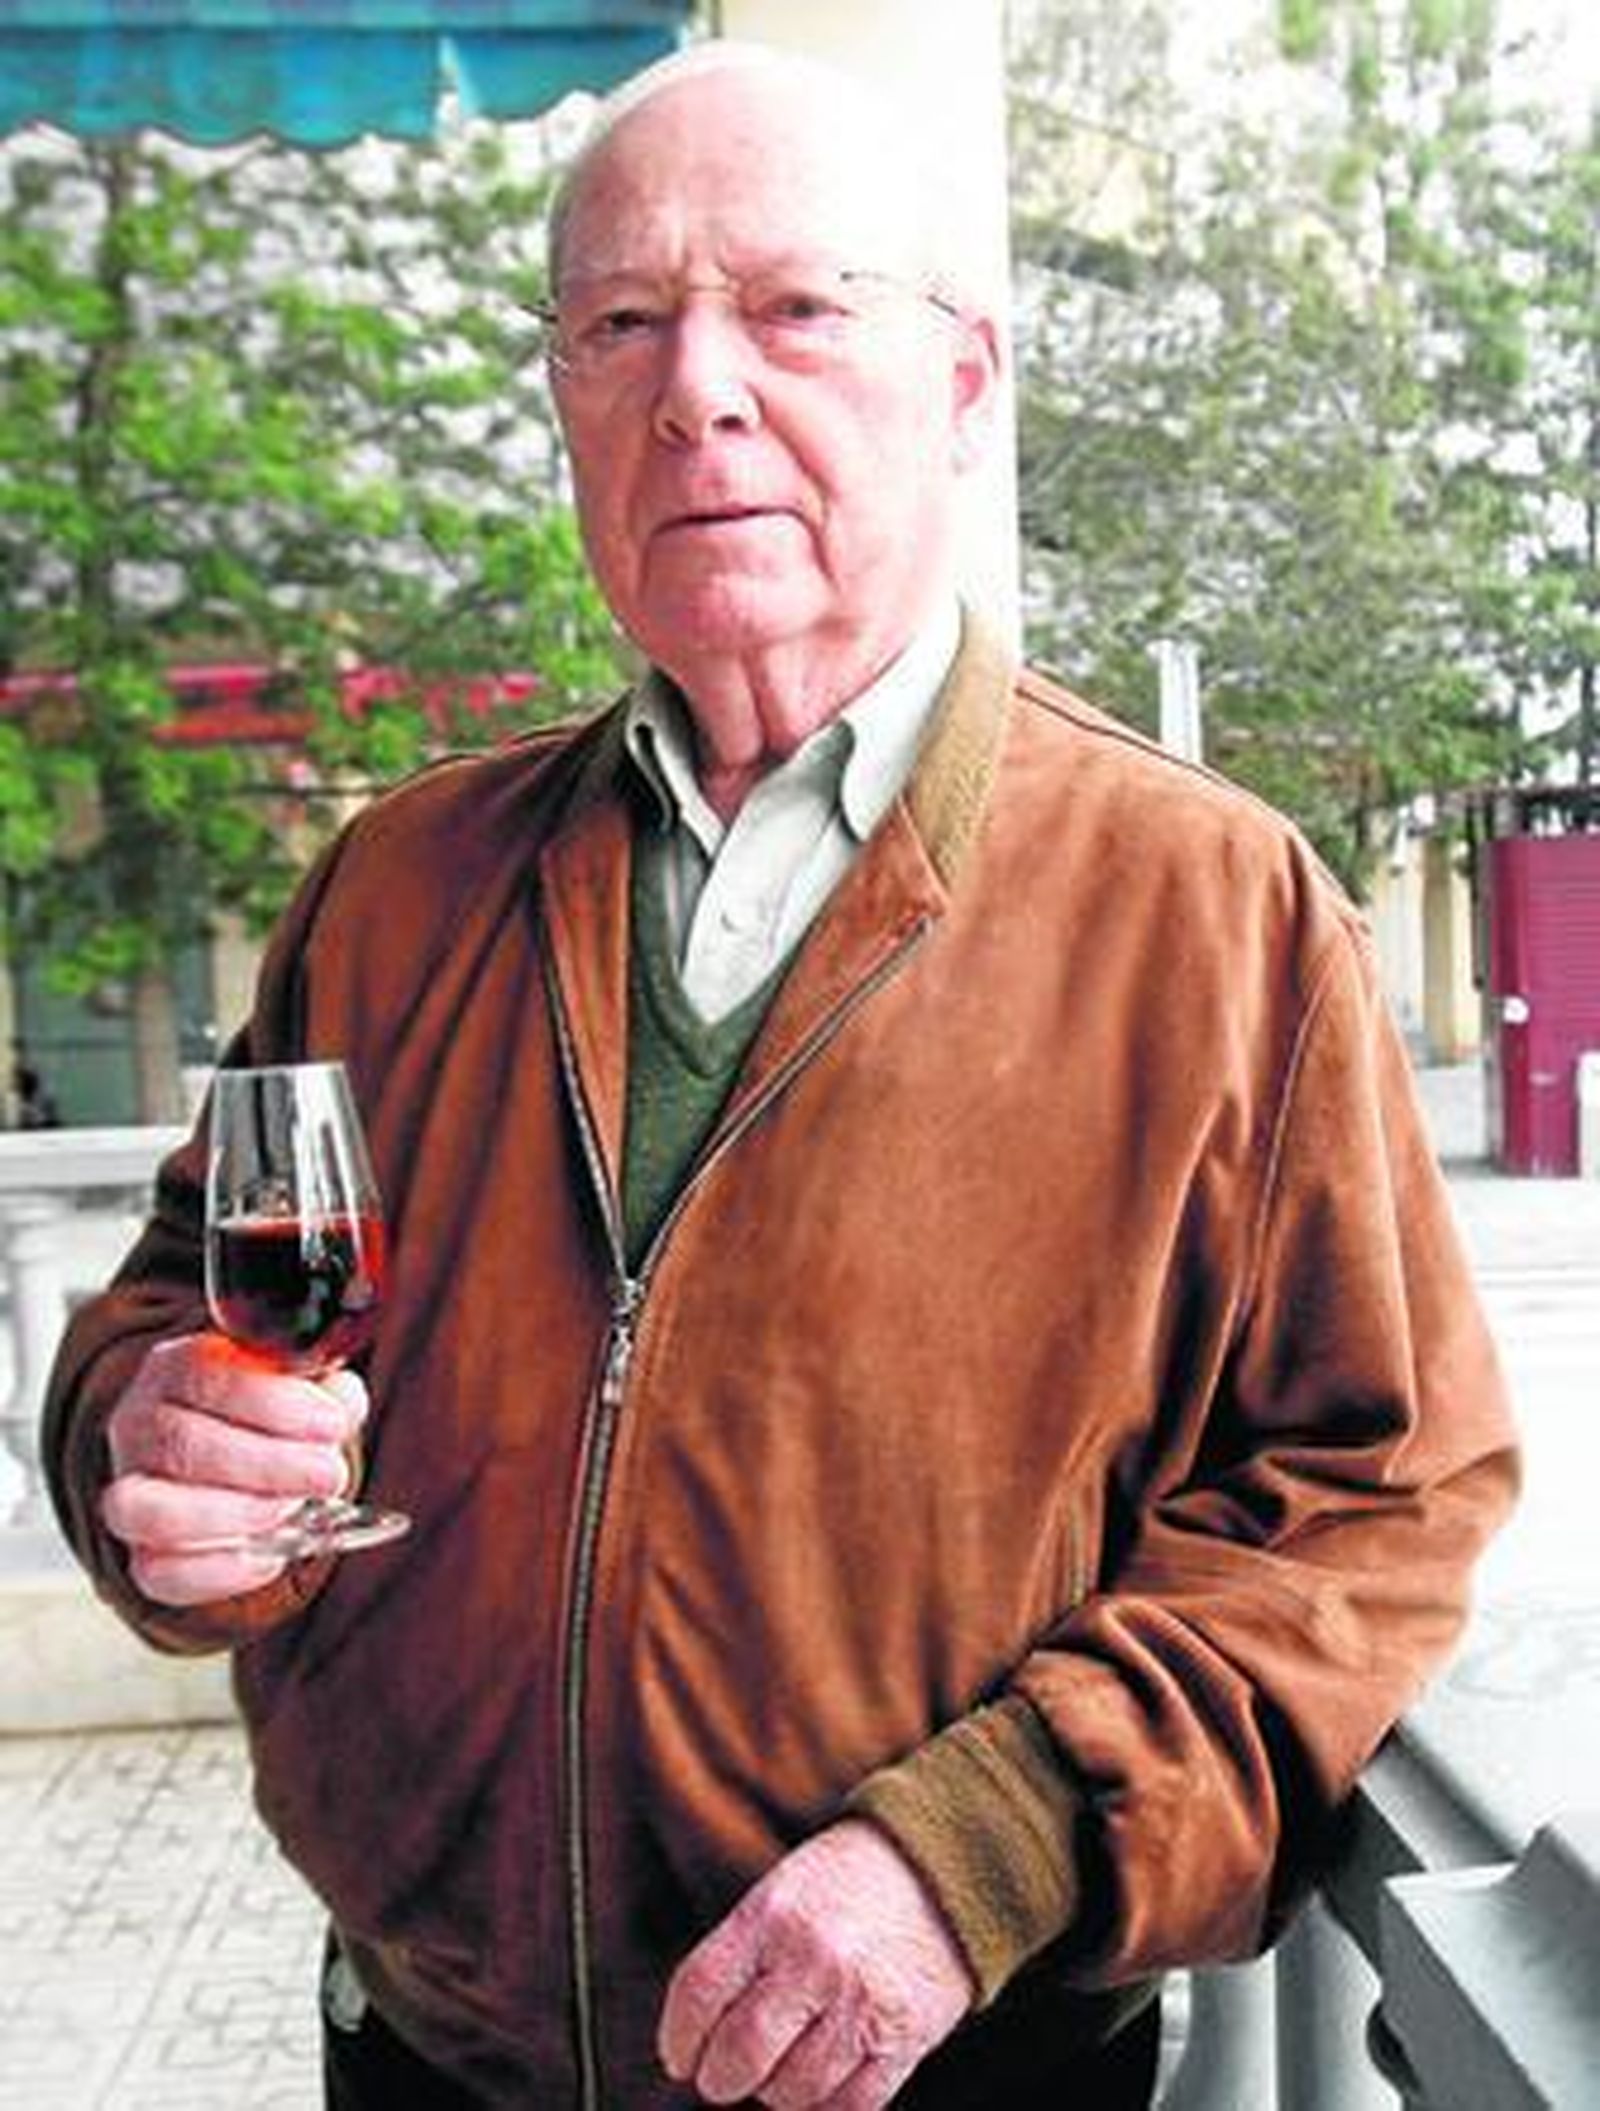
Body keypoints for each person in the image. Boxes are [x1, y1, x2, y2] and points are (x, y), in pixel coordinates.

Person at [43, 40, 1518, 2111]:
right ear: (559, 396)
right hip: (420, 2056)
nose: (698, 389)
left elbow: (1370, 1505)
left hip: (944, 2066)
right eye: (620, 322)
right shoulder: (397, 881)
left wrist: (984, 1847)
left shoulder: (1216, 910)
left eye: (797, 308)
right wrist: (145, 1442)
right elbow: (181, 1314)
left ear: (963, 381)